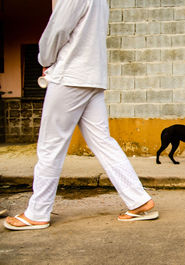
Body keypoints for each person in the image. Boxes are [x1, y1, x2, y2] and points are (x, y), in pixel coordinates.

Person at [4, 0, 158, 230]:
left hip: (70, 76)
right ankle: (138, 200)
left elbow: (57, 30)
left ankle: (37, 213)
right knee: (103, 142)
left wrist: (45, 60)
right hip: (92, 77)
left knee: (50, 146)